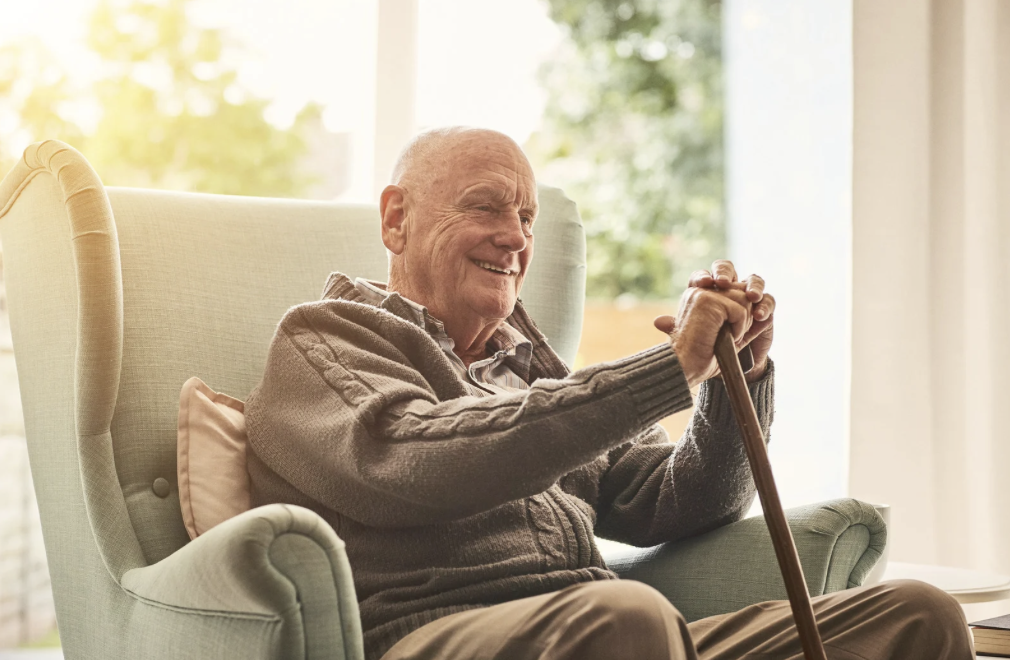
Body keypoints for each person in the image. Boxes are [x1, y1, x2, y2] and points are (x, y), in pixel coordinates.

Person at [245, 127, 972, 659]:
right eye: (485, 208)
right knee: (626, 618)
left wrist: (729, 382)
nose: (514, 238)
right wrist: (668, 367)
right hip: (439, 635)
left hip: (616, 635)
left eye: (526, 218)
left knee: (918, 616)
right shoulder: (327, 340)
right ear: (396, 218)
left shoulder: (532, 369)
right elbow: (416, 461)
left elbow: (678, 500)